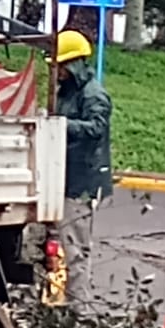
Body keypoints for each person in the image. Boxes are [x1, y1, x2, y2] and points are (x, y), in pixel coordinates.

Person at [55, 28, 113, 310]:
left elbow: (96, 128)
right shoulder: (65, 93)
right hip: (62, 177)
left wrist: (61, 126)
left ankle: (80, 309)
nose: (58, 70)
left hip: (81, 182)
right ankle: (57, 303)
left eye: (61, 65)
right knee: (52, 244)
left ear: (75, 63)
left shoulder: (94, 95)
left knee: (75, 248)